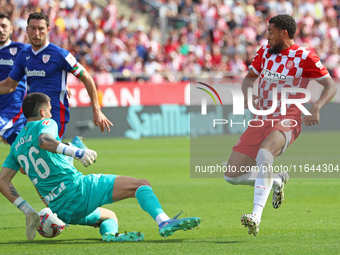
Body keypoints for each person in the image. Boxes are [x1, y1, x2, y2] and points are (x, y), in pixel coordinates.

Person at [0, 92, 201, 241]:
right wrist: (77, 153)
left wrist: (28, 210)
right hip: (78, 191)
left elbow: (3, 180)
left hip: (59, 209)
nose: (52, 112)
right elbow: (44, 140)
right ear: (43, 111)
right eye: (51, 109)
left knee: (109, 217)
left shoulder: (17, 146)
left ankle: (110, 236)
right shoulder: (46, 124)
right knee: (141, 185)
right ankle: (164, 221)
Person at [224, 14, 337, 236]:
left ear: (283, 34)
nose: (267, 36)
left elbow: (330, 85)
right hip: (262, 118)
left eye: (271, 32)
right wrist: (248, 96)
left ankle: (255, 215)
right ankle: (275, 180)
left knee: (265, 155)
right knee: (232, 175)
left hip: (289, 116)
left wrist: (316, 108)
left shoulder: (304, 57)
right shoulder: (265, 52)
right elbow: (249, 78)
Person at [0, 12, 112, 139]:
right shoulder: (23, 55)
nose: (36, 33)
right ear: (27, 29)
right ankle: (73, 147)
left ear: (48, 30)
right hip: (33, 117)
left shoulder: (60, 54)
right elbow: (10, 85)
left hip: (54, 115)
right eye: (33, 28)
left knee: (43, 143)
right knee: (25, 154)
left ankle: (75, 151)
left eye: (41, 28)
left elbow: (86, 77)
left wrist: (96, 110)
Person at [0, 12, 27, 145]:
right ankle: (71, 148)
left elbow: (47, 58)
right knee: (23, 158)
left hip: (14, 108)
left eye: (4, 26)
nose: (1, 29)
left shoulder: (21, 49)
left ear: (11, 29)